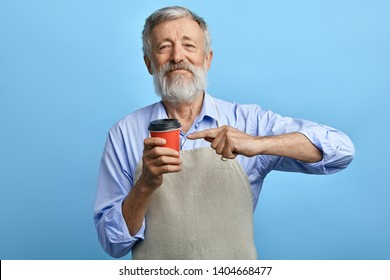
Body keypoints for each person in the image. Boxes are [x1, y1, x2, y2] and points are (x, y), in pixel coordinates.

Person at [94, 6, 355, 260]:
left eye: (189, 45)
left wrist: (258, 144)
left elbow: (340, 152)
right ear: (149, 63)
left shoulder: (248, 121)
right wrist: (144, 186)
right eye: (164, 47)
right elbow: (112, 243)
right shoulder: (124, 133)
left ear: (207, 59)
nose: (177, 57)